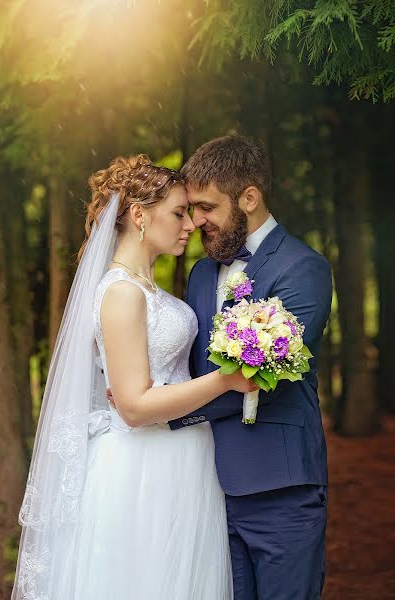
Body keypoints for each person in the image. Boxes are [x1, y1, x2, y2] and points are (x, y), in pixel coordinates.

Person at [12, 154, 257, 600]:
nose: (190, 225)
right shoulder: (122, 293)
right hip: (143, 467)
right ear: (139, 215)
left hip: (185, 459)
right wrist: (226, 380)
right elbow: (134, 406)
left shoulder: (149, 289)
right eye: (179, 213)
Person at [168, 135, 333, 600]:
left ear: (249, 198)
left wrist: (166, 411)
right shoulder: (201, 273)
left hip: (280, 487)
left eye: (206, 207)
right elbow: (196, 367)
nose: (196, 220)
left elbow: (266, 378)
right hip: (208, 488)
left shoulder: (304, 268)